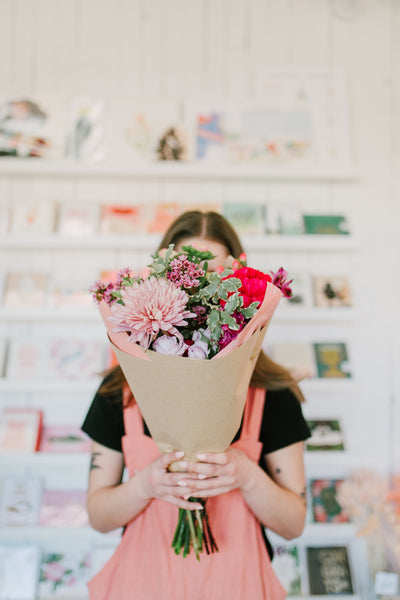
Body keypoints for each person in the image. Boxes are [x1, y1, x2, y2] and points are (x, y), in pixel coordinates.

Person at [82, 210, 311, 600]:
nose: (202, 288)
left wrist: (247, 476)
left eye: (217, 277)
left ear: (239, 284)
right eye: (191, 275)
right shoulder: (117, 390)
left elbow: (294, 525)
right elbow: (98, 516)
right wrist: (145, 485)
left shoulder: (273, 392)